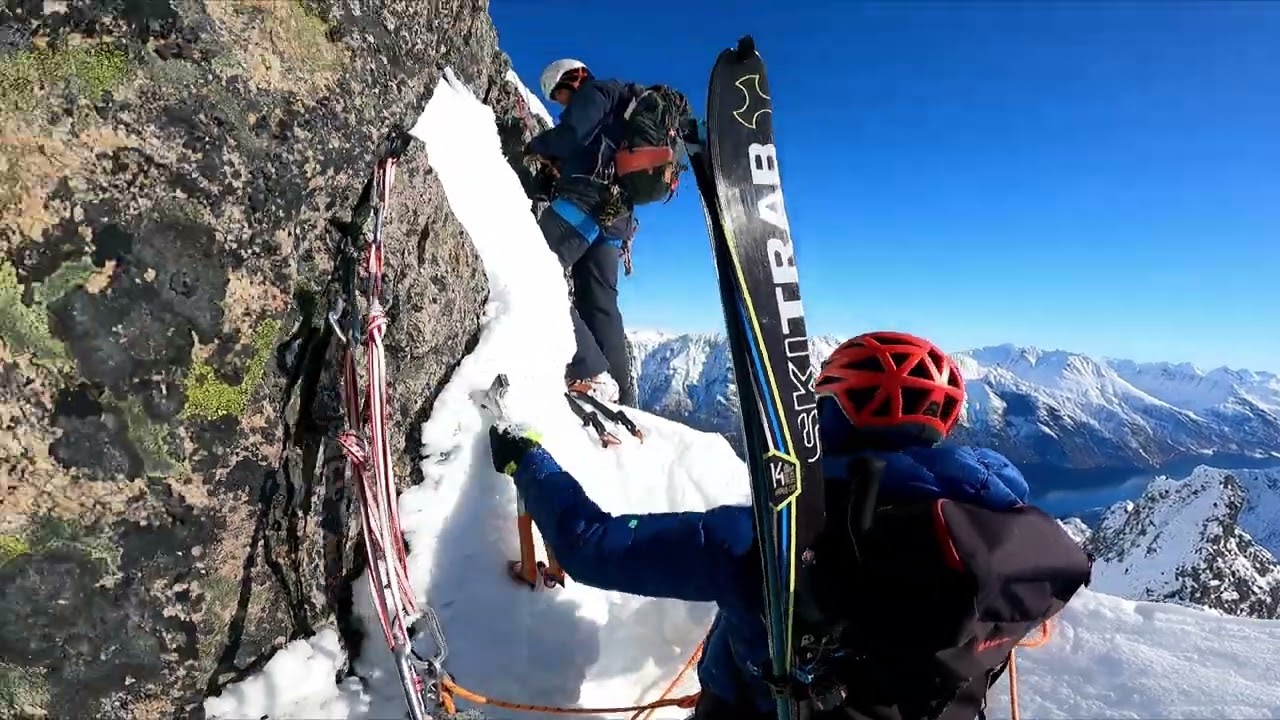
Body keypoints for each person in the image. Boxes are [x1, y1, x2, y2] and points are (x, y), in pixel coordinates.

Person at [486, 330, 1092, 719]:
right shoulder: (994, 528)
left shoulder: (775, 539)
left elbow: (592, 547)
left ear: (830, 416)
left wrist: (526, 457)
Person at [524, 59, 694, 407]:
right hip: (616, 216)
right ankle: (621, 396)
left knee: (531, 270)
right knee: (599, 304)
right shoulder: (620, 106)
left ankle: (590, 371)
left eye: (559, 96)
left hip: (586, 202)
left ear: (570, 79)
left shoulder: (594, 92)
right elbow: (591, 149)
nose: (561, 104)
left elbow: (571, 136)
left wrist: (534, 145)